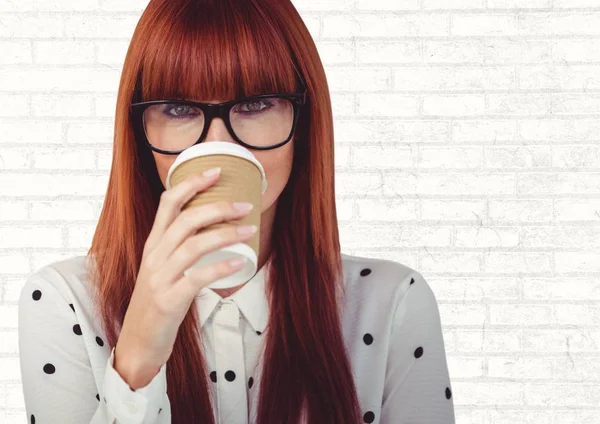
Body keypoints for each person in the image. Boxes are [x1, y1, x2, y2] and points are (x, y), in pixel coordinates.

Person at [17, 0, 455, 423]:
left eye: (255, 104)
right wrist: (136, 359)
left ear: (303, 123)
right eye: (178, 108)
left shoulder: (393, 303)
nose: (217, 144)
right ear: (140, 132)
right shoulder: (66, 302)